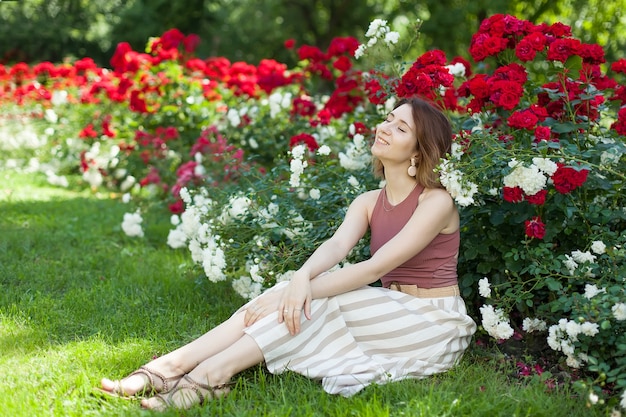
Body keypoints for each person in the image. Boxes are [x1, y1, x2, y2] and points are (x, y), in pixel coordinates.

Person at [99, 96, 477, 410]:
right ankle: (171, 365)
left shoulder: (436, 201)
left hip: (431, 321)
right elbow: (335, 246)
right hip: (387, 310)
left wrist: (303, 290)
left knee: (319, 301)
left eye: (401, 127)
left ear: (419, 149)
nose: (385, 127)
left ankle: (209, 376)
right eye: (388, 119)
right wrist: (297, 279)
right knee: (289, 295)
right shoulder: (367, 201)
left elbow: (374, 267)